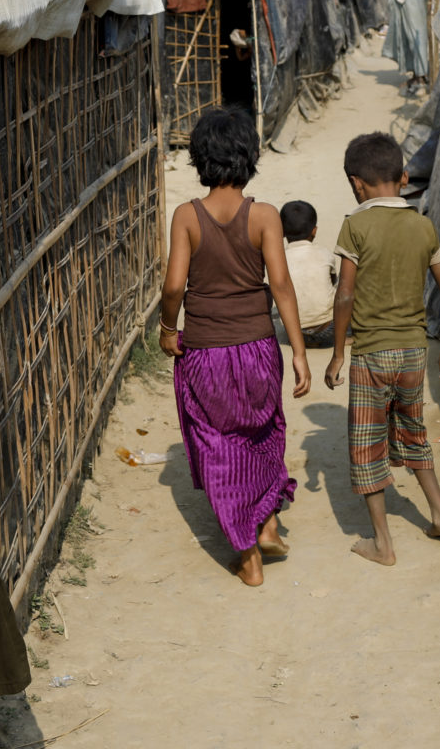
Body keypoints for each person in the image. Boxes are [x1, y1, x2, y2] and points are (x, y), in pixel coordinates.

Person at [159, 106, 312, 586]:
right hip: (258, 348)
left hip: (205, 351)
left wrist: (168, 328)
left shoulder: (187, 216)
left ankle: (248, 556)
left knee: (217, 444)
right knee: (264, 430)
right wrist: (300, 352)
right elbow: (282, 286)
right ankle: (267, 523)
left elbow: (173, 286)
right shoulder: (265, 215)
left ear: (200, 158)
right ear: (249, 158)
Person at [324, 131, 440, 566]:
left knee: (367, 444)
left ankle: (383, 544)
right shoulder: (422, 225)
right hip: (411, 352)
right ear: (402, 177)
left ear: (356, 183)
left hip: (371, 354)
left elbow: (345, 294)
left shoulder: (356, 224)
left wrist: (338, 352)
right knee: (415, 434)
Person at [277, 200, 338, 349]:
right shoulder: (325, 254)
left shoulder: (279, 259)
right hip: (328, 330)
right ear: (314, 230)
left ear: (282, 231)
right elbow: (333, 281)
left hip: (294, 332)